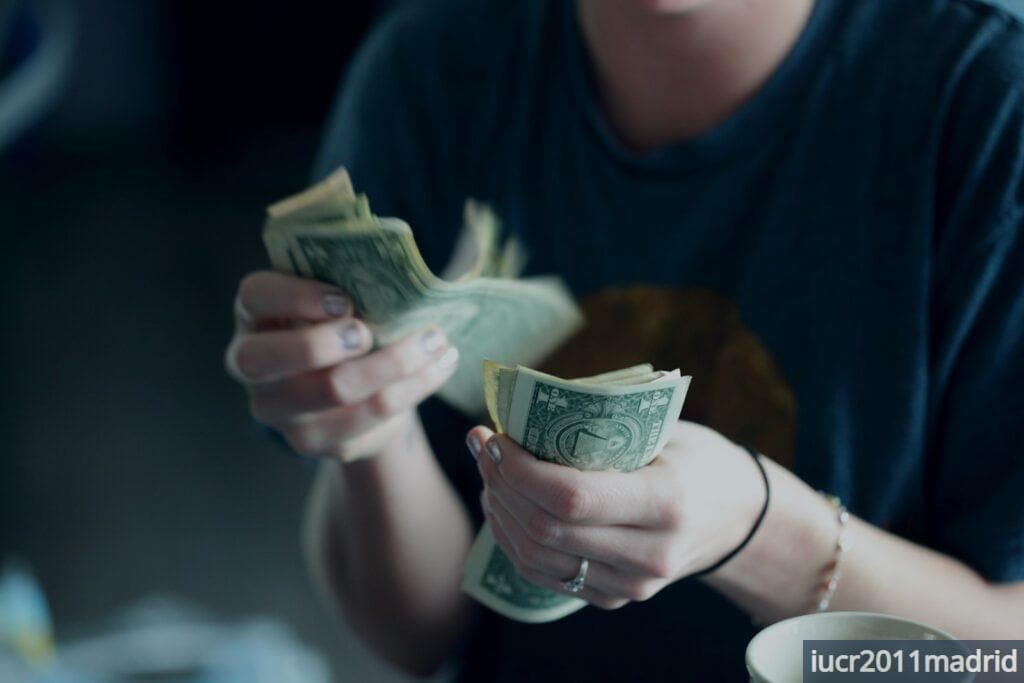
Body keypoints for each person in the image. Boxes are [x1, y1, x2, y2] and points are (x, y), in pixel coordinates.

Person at [225, 0, 1024, 679]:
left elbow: (1003, 652)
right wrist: (371, 433)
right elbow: (421, 634)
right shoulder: (434, 69)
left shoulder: (985, 107)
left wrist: (763, 532)